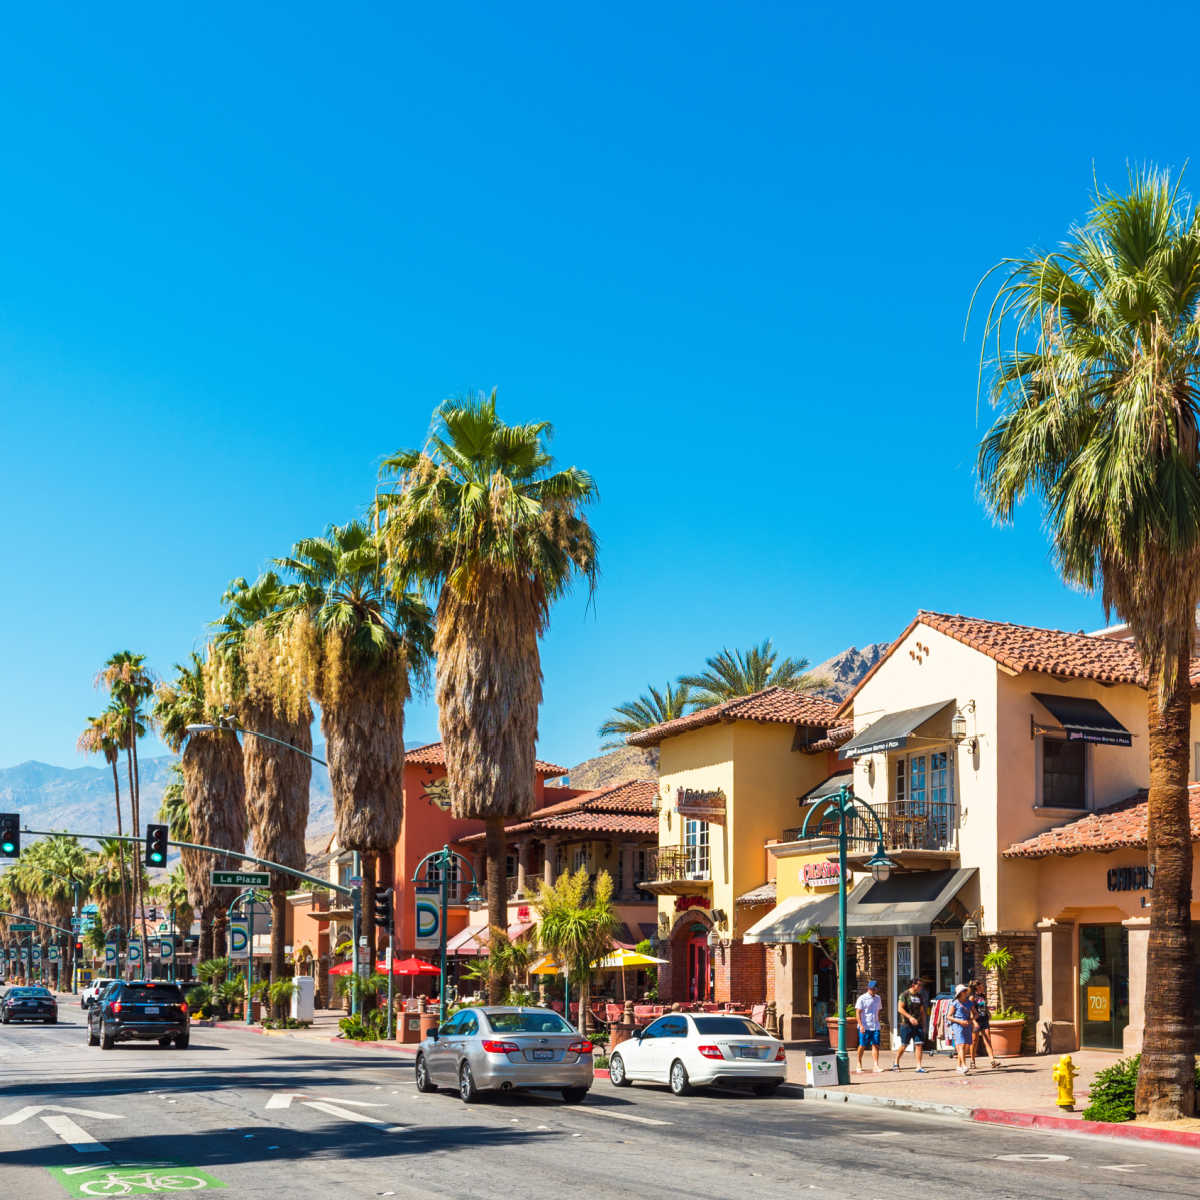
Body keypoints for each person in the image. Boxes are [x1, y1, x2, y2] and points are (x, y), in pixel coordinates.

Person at [892, 977, 928, 1072]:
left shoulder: (919, 996)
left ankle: (919, 1066)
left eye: (921, 985)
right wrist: (910, 1017)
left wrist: (924, 1025)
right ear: (913, 985)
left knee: (919, 1044)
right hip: (906, 1024)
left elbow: (922, 1011)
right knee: (904, 1045)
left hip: (918, 1024)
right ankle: (896, 1062)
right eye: (919, 985)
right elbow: (900, 1009)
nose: (920, 987)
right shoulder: (904, 995)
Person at [970, 979, 1002, 1069]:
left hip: (984, 1019)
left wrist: (988, 1011)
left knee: (988, 1039)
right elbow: (971, 1011)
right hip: (976, 1021)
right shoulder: (972, 997)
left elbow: (983, 1006)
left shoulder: (983, 995)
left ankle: (992, 1061)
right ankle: (972, 1061)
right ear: (977, 987)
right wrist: (974, 1022)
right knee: (974, 1041)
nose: (983, 987)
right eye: (981, 986)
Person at [854, 980, 883, 1073]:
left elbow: (878, 1011)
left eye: (874, 989)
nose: (872, 991)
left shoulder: (878, 998)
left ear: (876, 989)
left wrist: (878, 1022)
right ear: (868, 988)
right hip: (865, 1026)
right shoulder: (862, 998)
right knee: (862, 1045)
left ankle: (876, 1065)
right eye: (871, 989)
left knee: (876, 1045)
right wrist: (861, 1025)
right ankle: (859, 1062)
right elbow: (858, 1013)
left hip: (875, 1026)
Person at [948, 983, 974, 1073]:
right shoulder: (955, 1003)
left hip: (967, 1024)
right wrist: (960, 1021)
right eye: (963, 991)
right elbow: (949, 1016)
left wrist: (970, 1021)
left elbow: (975, 1014)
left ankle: (958, 1066)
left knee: (965, 1045)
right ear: (960, 993)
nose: (965, 992)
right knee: (961, 1045)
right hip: (957, 1025)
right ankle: (964, 1065)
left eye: (965, 990)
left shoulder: (969, 1003)